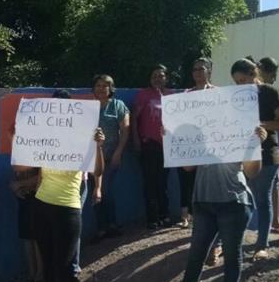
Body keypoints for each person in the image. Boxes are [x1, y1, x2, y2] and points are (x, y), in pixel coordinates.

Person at [14, 91, 105, 282]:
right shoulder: (45, 138)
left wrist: (98, 145)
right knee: (49, 265)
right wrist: (19, 137)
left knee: (65, 269)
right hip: (41, 206)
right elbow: (21, 167)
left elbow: (97, 171)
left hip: (67, 208)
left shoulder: (84, 138)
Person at [155, 127, 267, 282]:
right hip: (204, 201)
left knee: (232, 256)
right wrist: (171, 141)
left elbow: (252, 171)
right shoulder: (200, 134)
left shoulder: (239, 130)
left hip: (234, 203)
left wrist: (255, 145)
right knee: (196, 254)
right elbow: (188, 167)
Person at [231, 58, 279, 260]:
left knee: (262, 199)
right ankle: (232, 242)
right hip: (243, 154)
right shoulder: (235, 97)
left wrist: (261, 125)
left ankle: (261, 245)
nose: (240, 85)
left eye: (243, 80)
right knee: (240, 199)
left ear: (253, 73)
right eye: (237, 82)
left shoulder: (271, 93)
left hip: (267, 155)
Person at [176, 58, 216, 228]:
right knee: (186, 179)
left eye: (201, 69)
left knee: (210, 182)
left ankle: (207, 218)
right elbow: (177, 120)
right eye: (195, 69)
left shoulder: (219, 94)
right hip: (189, 143)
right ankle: (186, 216)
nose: (198, 72)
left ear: (209, 71)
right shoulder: (186, 94)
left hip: (212, 145)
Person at [133, 64, 174, 229]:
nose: (158, 78)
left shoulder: (171, 96)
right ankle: (152, 218)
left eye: (161, 75)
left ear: (166, 78)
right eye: (154, 75)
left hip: (167, 146)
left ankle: (165, 215)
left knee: (163, 183)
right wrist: (136, 140)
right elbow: (134, 119)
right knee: (150, 182)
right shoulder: (143, 95)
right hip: (148, 145)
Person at [90, 74, 130, 242]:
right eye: (98, 85)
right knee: (96, 191)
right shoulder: (88, 107)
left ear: (111, 88)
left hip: (111, 155)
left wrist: (119, 152)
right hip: (92, 158)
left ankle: (111, 225)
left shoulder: (118, 105)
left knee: (105, 189)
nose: (101, 88)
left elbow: (125, 130)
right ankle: (101, 228)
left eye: (104, 85)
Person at [258, 56, 279, 235]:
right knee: (262, 195)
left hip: (270, 147)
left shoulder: (272, 93)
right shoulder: (246, 92)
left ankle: (275, 222)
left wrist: (261, 124)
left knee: (274, 185)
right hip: (251, 150)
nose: (274, 79)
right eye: (273, 74)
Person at [11, 167, 42, 282]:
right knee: (26, 236)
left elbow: (42, 176)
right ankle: (32, 272)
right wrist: (16, 189)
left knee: (37, 236)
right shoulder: (17, 155)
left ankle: (40, 273)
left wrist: (19, 184)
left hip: (38, 196)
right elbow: (13, 176)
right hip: (24, 197)